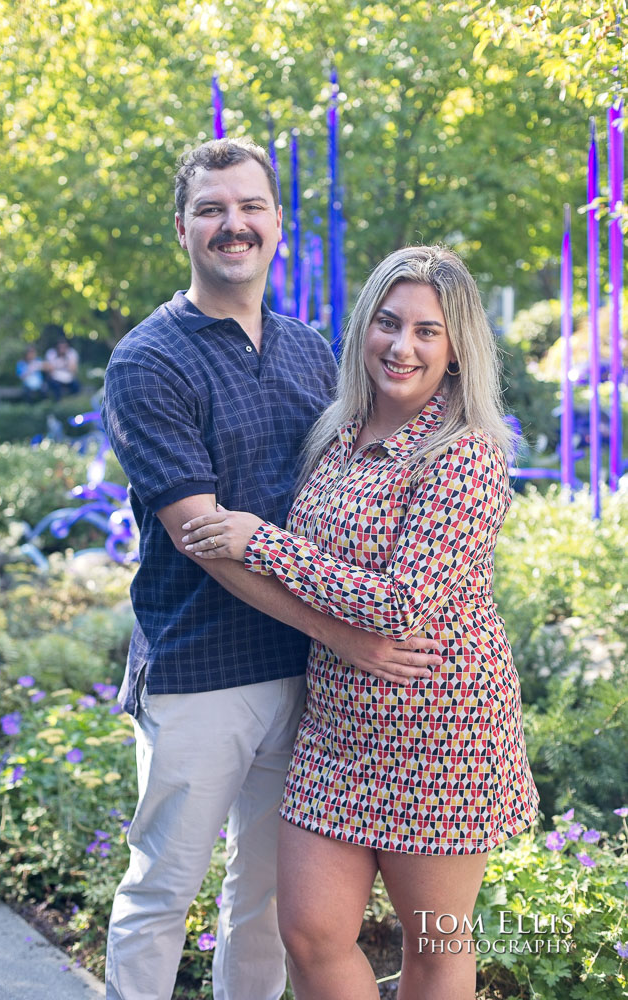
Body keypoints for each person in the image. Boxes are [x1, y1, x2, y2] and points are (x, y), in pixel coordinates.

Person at [101, 140, 440, 1000]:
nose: (232, 224)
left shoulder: (308, 351)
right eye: (211, 209)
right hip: (200, 669)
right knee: (162, 892)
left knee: (265, 899)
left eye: (249, 207)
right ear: (183, 227)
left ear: (276, 225)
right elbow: (199, 536)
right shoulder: (149, 360)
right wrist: (345, 634)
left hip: (304, 677)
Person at [181, 245, 541, 1000]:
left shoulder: (465, 454)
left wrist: (261, 541)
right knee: (309, 934)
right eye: (387, 323)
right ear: (363, 330)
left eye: (426, 332)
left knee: (434, 943)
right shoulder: (338, 435)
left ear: (455, 350)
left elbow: (401, 602)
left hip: (441, 726)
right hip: (339, 723)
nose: (401, 346)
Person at [44, 335, 80, 399]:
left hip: (68, 377)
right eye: (60, 347)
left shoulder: (72, 353)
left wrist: (66, 361)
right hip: (55, 378)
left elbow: (74, 369)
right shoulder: (51, 353)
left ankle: (72, 401)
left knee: (76, 385)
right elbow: (49, 369)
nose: (62, 349)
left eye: (64, 347)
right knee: (54, 386)